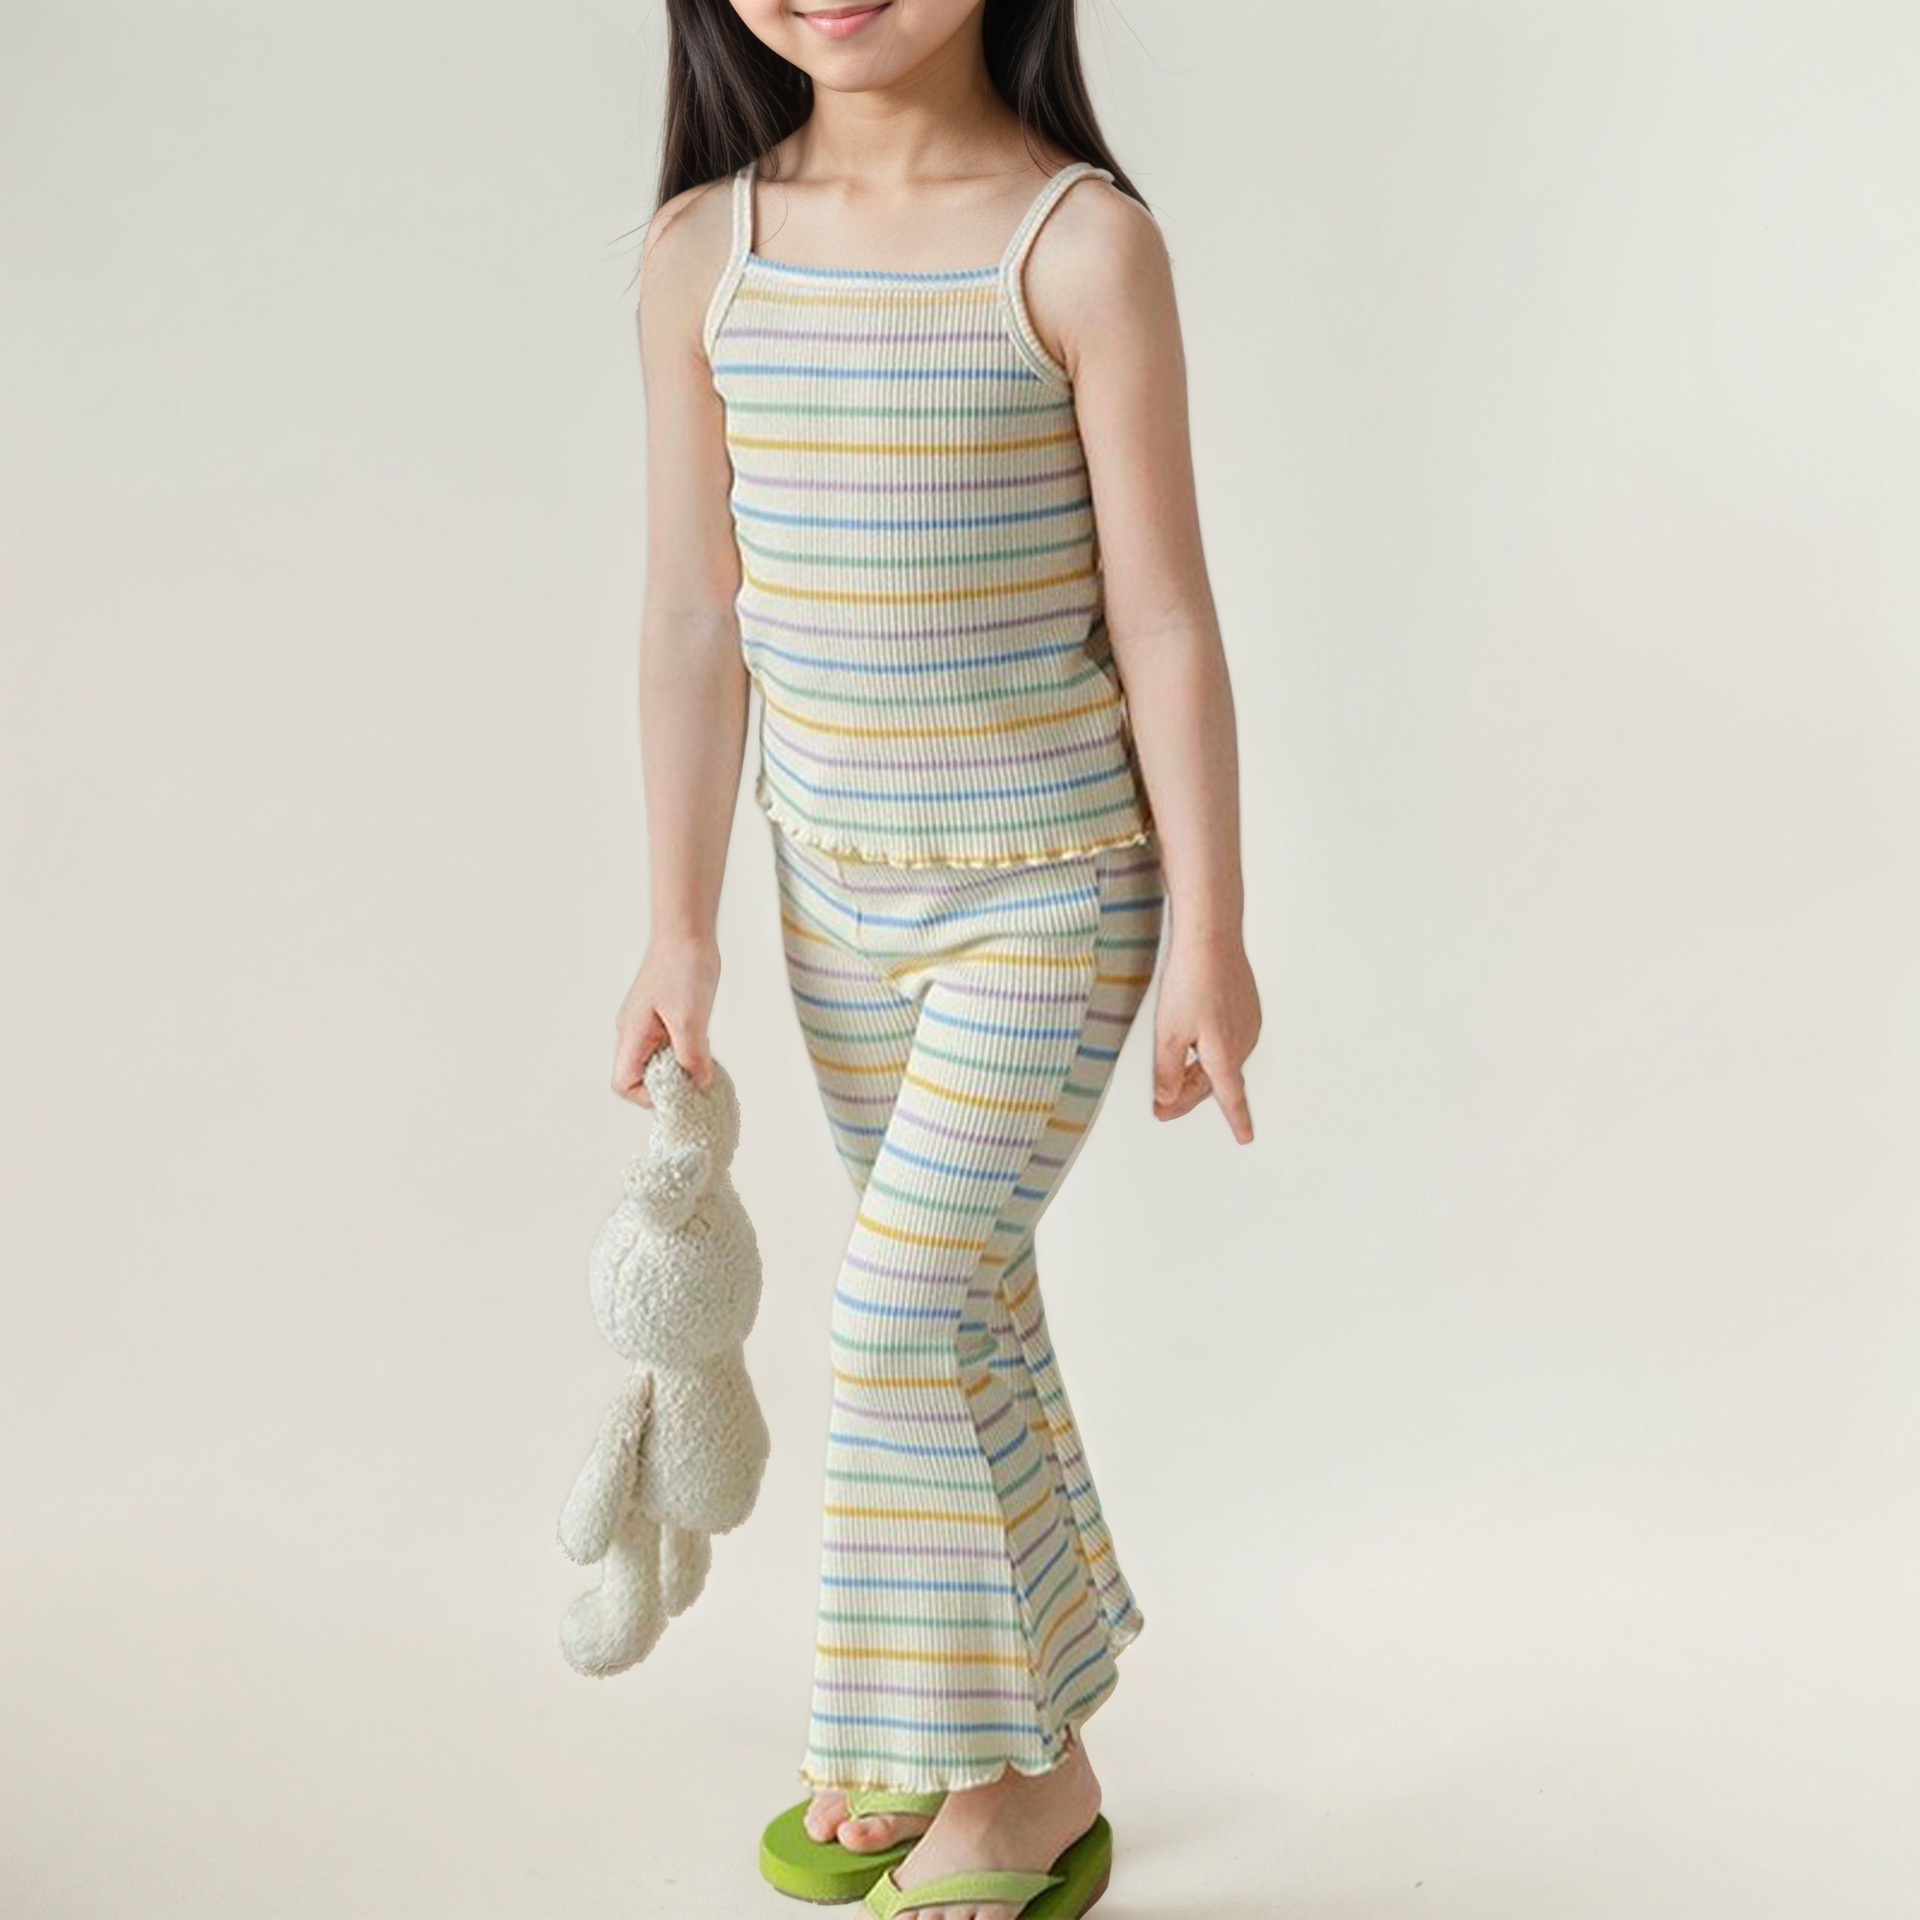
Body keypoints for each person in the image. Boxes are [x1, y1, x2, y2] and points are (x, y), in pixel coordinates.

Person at [610, 2, 1260, 1914]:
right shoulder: (702, 254)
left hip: (1051, 894)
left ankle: (1007, 1780)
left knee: (897, 1318)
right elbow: (691, 616)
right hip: (834, 905)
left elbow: (1165, 616)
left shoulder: (1077, 246)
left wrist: (1212, 932)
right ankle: (991, 1732)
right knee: (969, 1318)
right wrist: (677, 923)